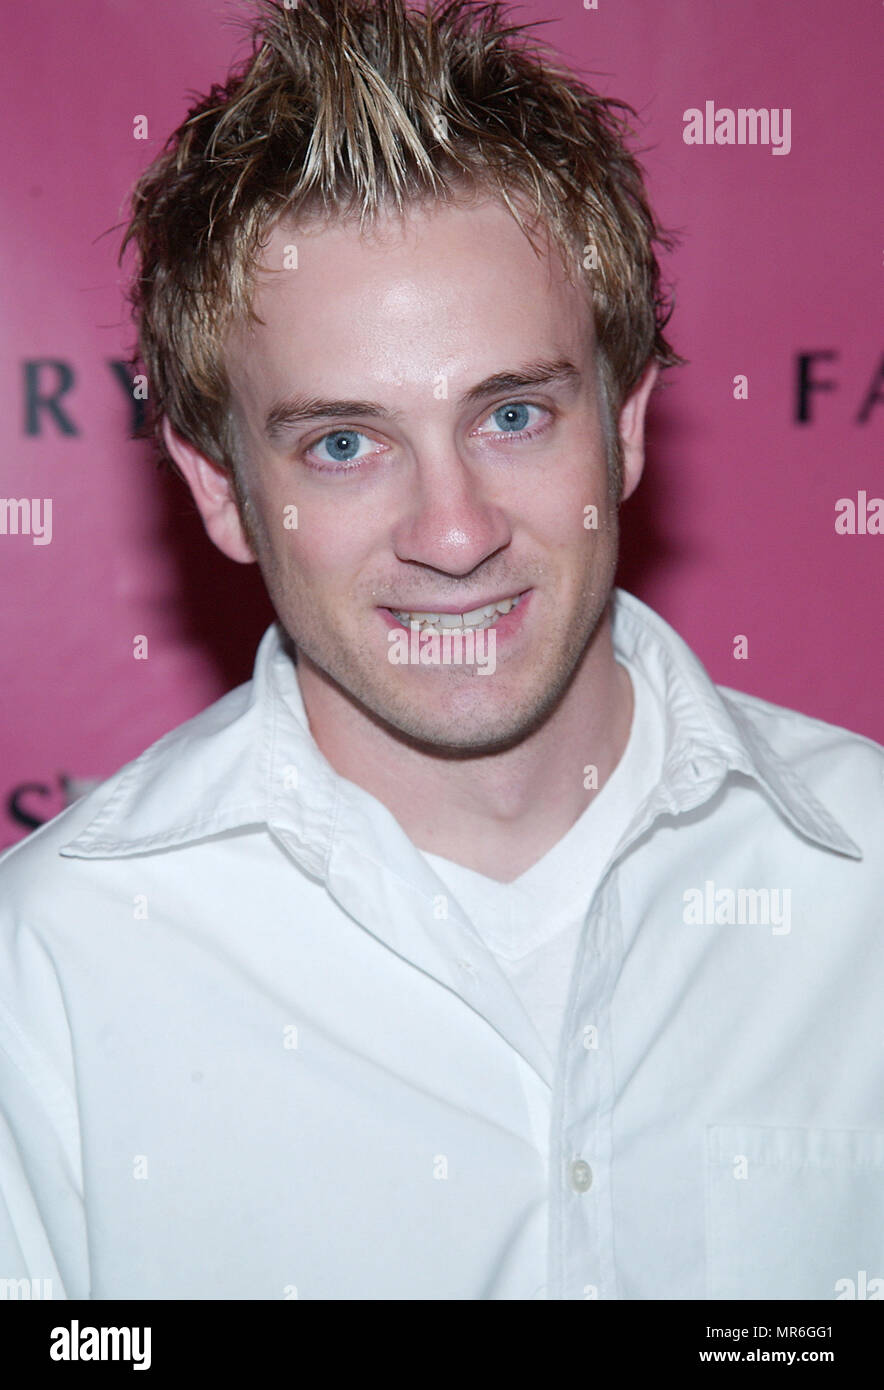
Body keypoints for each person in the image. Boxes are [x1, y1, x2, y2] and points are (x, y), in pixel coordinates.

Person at [1, 0, 881, 1302]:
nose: (456, 531)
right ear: (221, 492)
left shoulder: (865, 882)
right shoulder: (53, 970)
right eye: (344, 443)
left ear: (626, 426)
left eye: (514, 413)